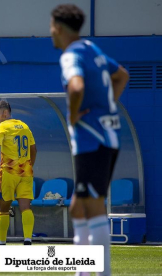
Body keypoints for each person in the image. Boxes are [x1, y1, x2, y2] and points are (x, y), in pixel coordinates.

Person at [50, 4, 129, 276]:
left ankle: (101, 272)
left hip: (92, 139)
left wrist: (73, 116)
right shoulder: (92, 49)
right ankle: (82, 271)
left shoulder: (70, 54)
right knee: (78, 206)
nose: (50, 32)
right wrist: (106, 107)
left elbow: (76, 87)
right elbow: (122, 75)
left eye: (51, 27)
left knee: (92, 206)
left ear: (58, 28)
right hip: (107, 135)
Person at [0, 100, 37, 251]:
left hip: (8, 173)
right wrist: (29, 166)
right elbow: (34, 149)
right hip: (26, 172)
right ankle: (28, 241)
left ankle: (2, 243)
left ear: (5, 113)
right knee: (26, 207)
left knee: (3, 208)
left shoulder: (2, 127)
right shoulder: (24, 126)